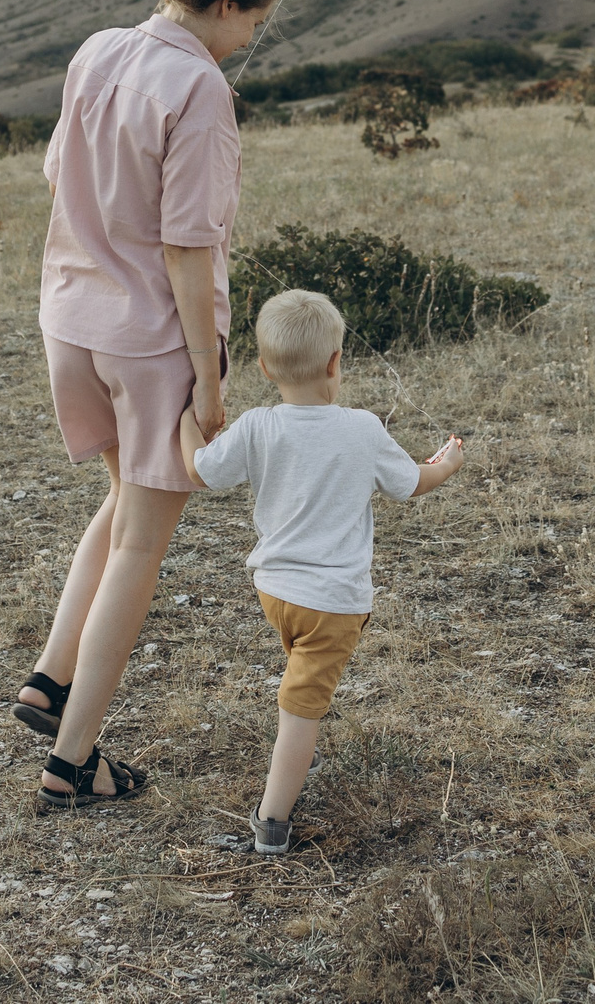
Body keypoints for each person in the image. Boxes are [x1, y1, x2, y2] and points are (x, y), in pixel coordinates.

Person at [15, 0, 279, 810]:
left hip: (70, 319)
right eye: (253, 24)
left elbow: (57, 173)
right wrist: (211, 382)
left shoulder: (97, 49)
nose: (248, 42)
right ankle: (74, 759)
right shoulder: (201, 87)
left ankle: (51, 679)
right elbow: (188, 248)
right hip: (149, 338)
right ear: (230, 5)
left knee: (121, 501)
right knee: (140, 539)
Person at [179, 288, 466, 854]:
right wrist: (447, 463)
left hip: (274, 595)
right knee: (299, 713)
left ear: (263, 367)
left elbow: (200, 472)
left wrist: (188, 418)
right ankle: (272, 825)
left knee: (298, 686)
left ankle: (285, 784)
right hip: (334, 604)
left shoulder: (258, 425)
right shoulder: (361, 427)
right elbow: (412, 483)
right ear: (336, 363)